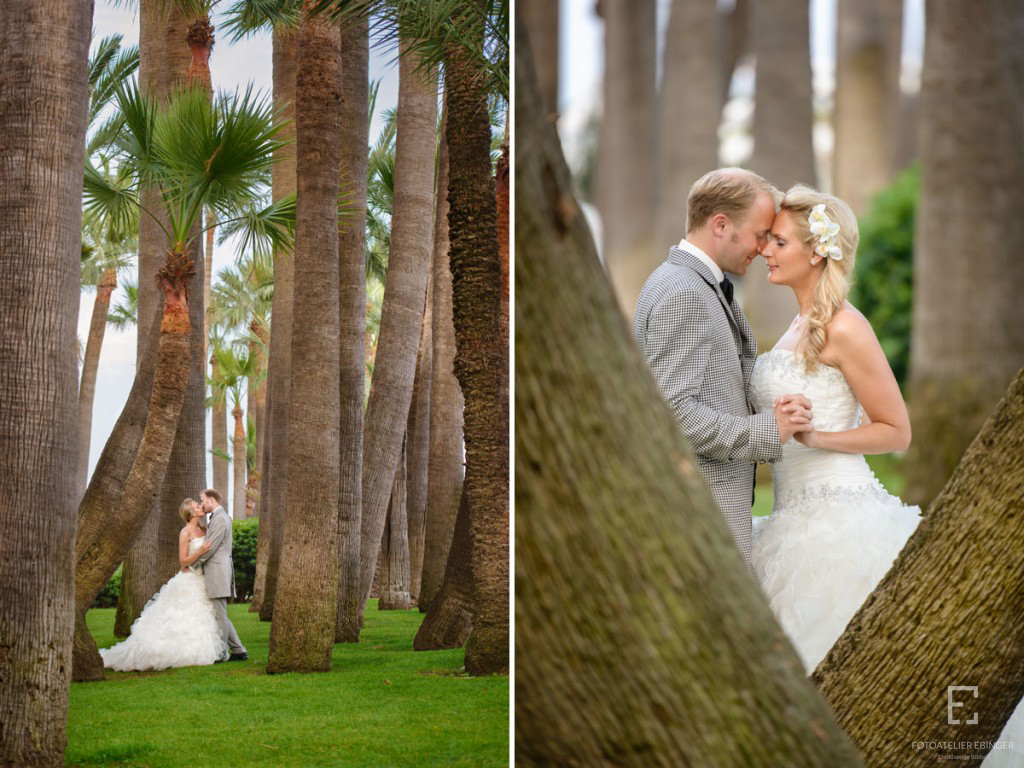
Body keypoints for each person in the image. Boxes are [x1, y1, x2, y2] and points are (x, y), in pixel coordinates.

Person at [750, 185, 1024, 767]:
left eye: (778, 241)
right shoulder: (799, 325)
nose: (765, 250)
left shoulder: (847, 327)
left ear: (817, 252)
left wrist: (817, 437)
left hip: (839, 523)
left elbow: (895, 430)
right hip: (788, 516)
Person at [633, 167, 815, 571]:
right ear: (720, 225)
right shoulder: (684, 293)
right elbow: (673, 414)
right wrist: (769, 430)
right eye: (759, 233)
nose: (764, 246)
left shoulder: (697, 284)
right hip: (697, 517)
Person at [99, 499, 227, 671]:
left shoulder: (203, 529)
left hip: (203, 579)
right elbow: (183, 561)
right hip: (189, 580)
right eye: (197, 506)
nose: (200, 506)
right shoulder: (185, 532)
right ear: (191, 513)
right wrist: (201, 550)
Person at [196, 488, 248, 662]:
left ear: (211, 500)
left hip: (217, 571)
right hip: (216, 570)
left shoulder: (220, 519)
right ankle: (239, 650)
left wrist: (194, 564)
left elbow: (210, 546)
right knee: (221, 613)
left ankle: (220, 653)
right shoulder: (219, 518)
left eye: (202, 500)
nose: (201, 504)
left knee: (219, 615)